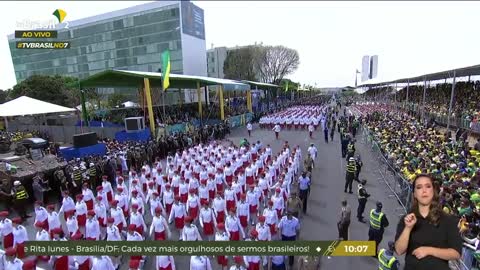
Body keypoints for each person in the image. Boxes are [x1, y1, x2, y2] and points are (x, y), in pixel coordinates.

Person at [394, 174, 462, 270]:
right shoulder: (406, 219)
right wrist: (408, 228)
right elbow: (399, 250)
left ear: (433, 191)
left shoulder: (449, 220)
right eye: (419, 187)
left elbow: (456, 253)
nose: (424, 191)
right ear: (414, 194)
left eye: (428, 186)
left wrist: (428, 250)